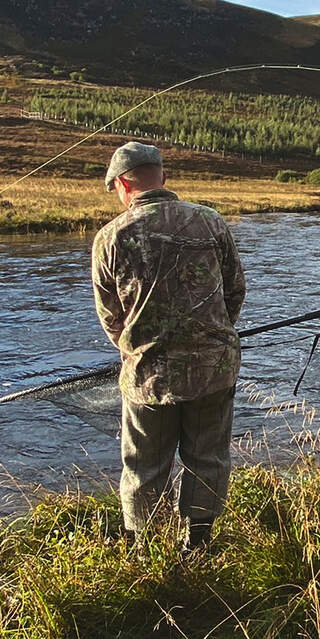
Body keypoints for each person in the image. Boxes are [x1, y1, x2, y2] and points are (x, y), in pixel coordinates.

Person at [91, 140, 246, 549]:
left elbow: (111, 318)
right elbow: (235, 292)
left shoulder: (109, 237)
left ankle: (144, 548)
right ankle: (198, 544)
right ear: (163, 177)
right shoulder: (211, 222)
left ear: (124, 184)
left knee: (144, 464)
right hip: (214, 368)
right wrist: (208, 337)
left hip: (148, 376)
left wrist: (137, 350)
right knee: (207, 458)